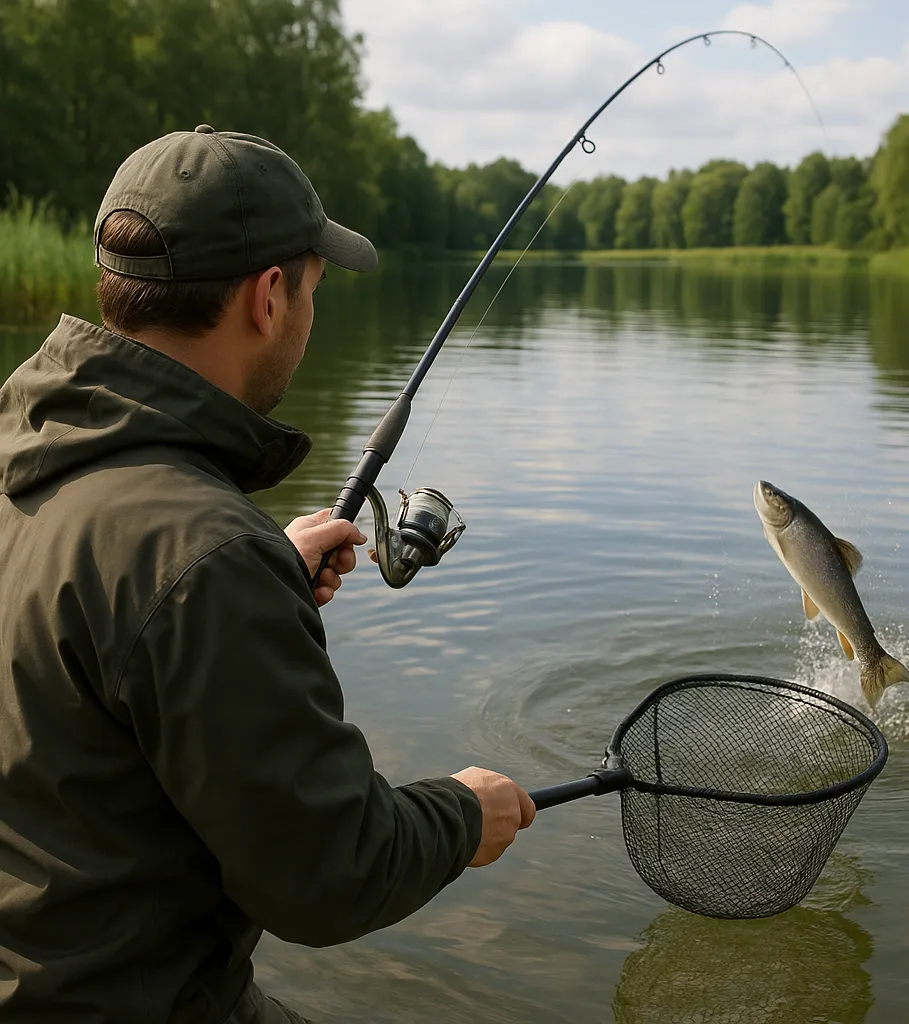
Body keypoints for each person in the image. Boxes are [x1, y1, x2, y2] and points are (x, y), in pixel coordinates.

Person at [0, 126, 536, 1023]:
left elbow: (90, 637)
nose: (312, 317)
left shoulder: (33, 465)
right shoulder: (200, 556)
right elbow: (328, 874)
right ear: (270, 295)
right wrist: (461, 814)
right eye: (316, 290)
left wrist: (259, 568)